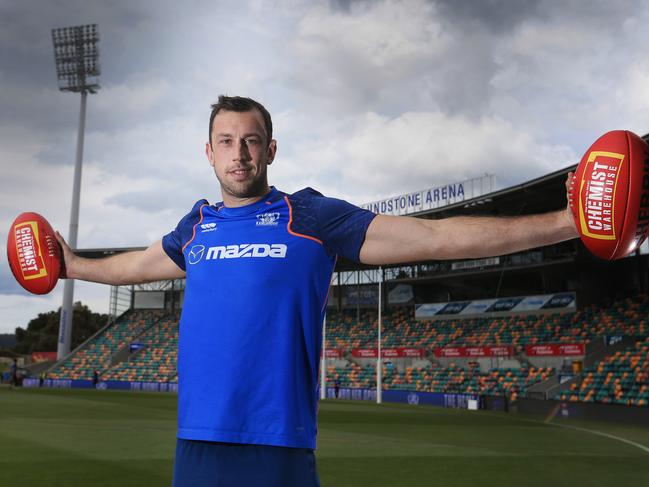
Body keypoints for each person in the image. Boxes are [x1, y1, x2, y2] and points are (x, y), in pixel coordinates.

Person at [55, 95, 578, 487]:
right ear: (208, 153)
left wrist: (566, 221)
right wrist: (71, 264)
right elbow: (134, 267)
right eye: (226, 142)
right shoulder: (194, 227)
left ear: (271, 149)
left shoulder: (309, 216)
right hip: (197, 442)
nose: (239, 153)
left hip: (277, 441)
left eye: (251, 140)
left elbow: (433, 237)